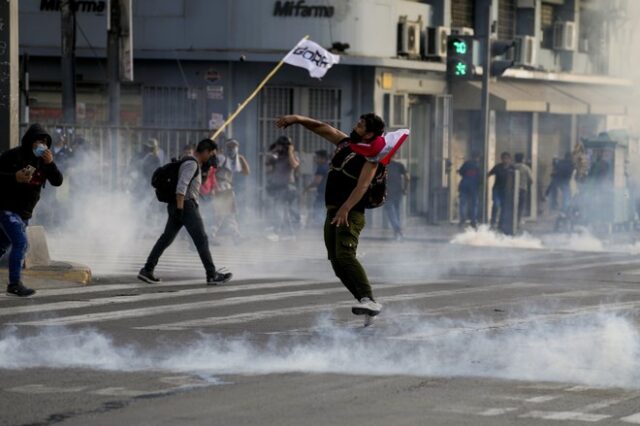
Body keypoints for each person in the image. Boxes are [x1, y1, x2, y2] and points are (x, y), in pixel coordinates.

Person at [276, 113, 384, 325]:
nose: (356, 125)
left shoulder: (371, 157)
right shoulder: (347, 145)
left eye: (361, 125)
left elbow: (362, 186)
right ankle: (366, 301)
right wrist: (298, 118)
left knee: (345, 255)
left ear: (370, 133)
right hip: (334, 211)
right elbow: (324, 128)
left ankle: (369, 300)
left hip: (350, 212)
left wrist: (346, 208)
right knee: (335, 262)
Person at [138, 139, 232, 285]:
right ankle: (212, 274)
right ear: (205, 151)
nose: (212, 157)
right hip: (185, 206)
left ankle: (147, 270)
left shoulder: (192, 163)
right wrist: (181, 208)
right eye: (212, 154)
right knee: (201, 239)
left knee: (166, 239)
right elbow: (182, 186)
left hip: (180, 205)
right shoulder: (192, 164)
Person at [0, 124, 63, 297]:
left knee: (2, 245)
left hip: (24, 212)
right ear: (30, 141)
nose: (41, 145)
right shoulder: (13, 155)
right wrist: (14, 177)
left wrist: (51, 164)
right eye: (38, 141)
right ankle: (14, 284)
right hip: (6, 208)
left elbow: (58, 181)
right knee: (21, 243)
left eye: (45, 142)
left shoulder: (44, 162)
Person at [210, 139, 250, 244]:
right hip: (220, 188)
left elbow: (246, 172)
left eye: (234, 146)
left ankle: (236, 236)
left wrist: (242, 159)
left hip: (227, 189)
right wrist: (214, 187)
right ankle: (211, 235)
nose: (231, 149)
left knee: (229, 215)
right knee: (220, 215)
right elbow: (212, 173)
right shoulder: (221, 158)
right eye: (229, 146)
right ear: (225, 148)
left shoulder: (235, 160)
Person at [265, 136, 300, 239]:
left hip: (287, 187)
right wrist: (274, 150)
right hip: (277, 187)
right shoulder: (277, 157)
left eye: (283, 145)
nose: (282, 148)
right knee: (284, 210)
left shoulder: (293, 156)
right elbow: (267, 163)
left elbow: (294, 165)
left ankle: (276, 232)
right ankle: (290, 233)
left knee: (279, 209)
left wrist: (290, 151)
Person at [384, 159, 410, 240]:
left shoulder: (383, 165)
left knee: (391, 213)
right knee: (396, 211)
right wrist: (405, 189)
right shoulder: (399, 165)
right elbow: (407, 178)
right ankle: (397, 234)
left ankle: (398, 230)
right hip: (398, 192)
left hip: (388, 192)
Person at [304, 149, 330, 226]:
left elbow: (316, 182)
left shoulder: (321, 167)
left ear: (322, 158)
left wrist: (306, 188)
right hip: (328, 193)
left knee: (318, 211)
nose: (315, 159)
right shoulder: (329, 166)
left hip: (322, 194)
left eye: (316, 157)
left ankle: (319, 229)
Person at [488, 152, 512, 228]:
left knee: (504, 207)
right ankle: (493, 221)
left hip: (506, 190)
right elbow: (489, 174)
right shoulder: (498, 167)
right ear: (501, 159)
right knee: (496, 204)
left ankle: (501, 223)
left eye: (507, 158)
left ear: (509, 159)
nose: (505, 160)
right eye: (503, 158)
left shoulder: (512, 168)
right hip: (497, 189)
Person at [458, 153, 481, 229]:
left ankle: (463, 219)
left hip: (464, 185)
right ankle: (473, 220)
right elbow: (481, 177)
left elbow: (461, 172)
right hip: (474, 186)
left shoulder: (467, 163)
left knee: (463, 203)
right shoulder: (479, 166)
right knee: (474, 203)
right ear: (478, 157)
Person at [513, 153, 533, 225]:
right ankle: (518, 220)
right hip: (522, 189)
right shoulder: (526, 168)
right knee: (521, 205)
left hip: (512, 190)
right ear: (523, 159)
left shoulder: (512, 167)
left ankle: (512, 220)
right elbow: (531, 180)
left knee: (512, 205)